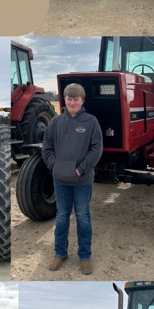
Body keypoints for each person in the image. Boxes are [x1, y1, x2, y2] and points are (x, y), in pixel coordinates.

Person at [41, 82, 103, 274]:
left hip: (82, 181)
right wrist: (55, 167)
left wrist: (80, 169)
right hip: (60, 180)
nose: (72, 103)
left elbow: (96, 150)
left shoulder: (91, 122)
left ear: (82, 100)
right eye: (69, 99)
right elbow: (47, 148)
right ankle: (60, 253)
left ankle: (85, 256)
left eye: (75, 99)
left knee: (83, 217)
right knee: (61, 217)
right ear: (64, 100)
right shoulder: (56, 122)